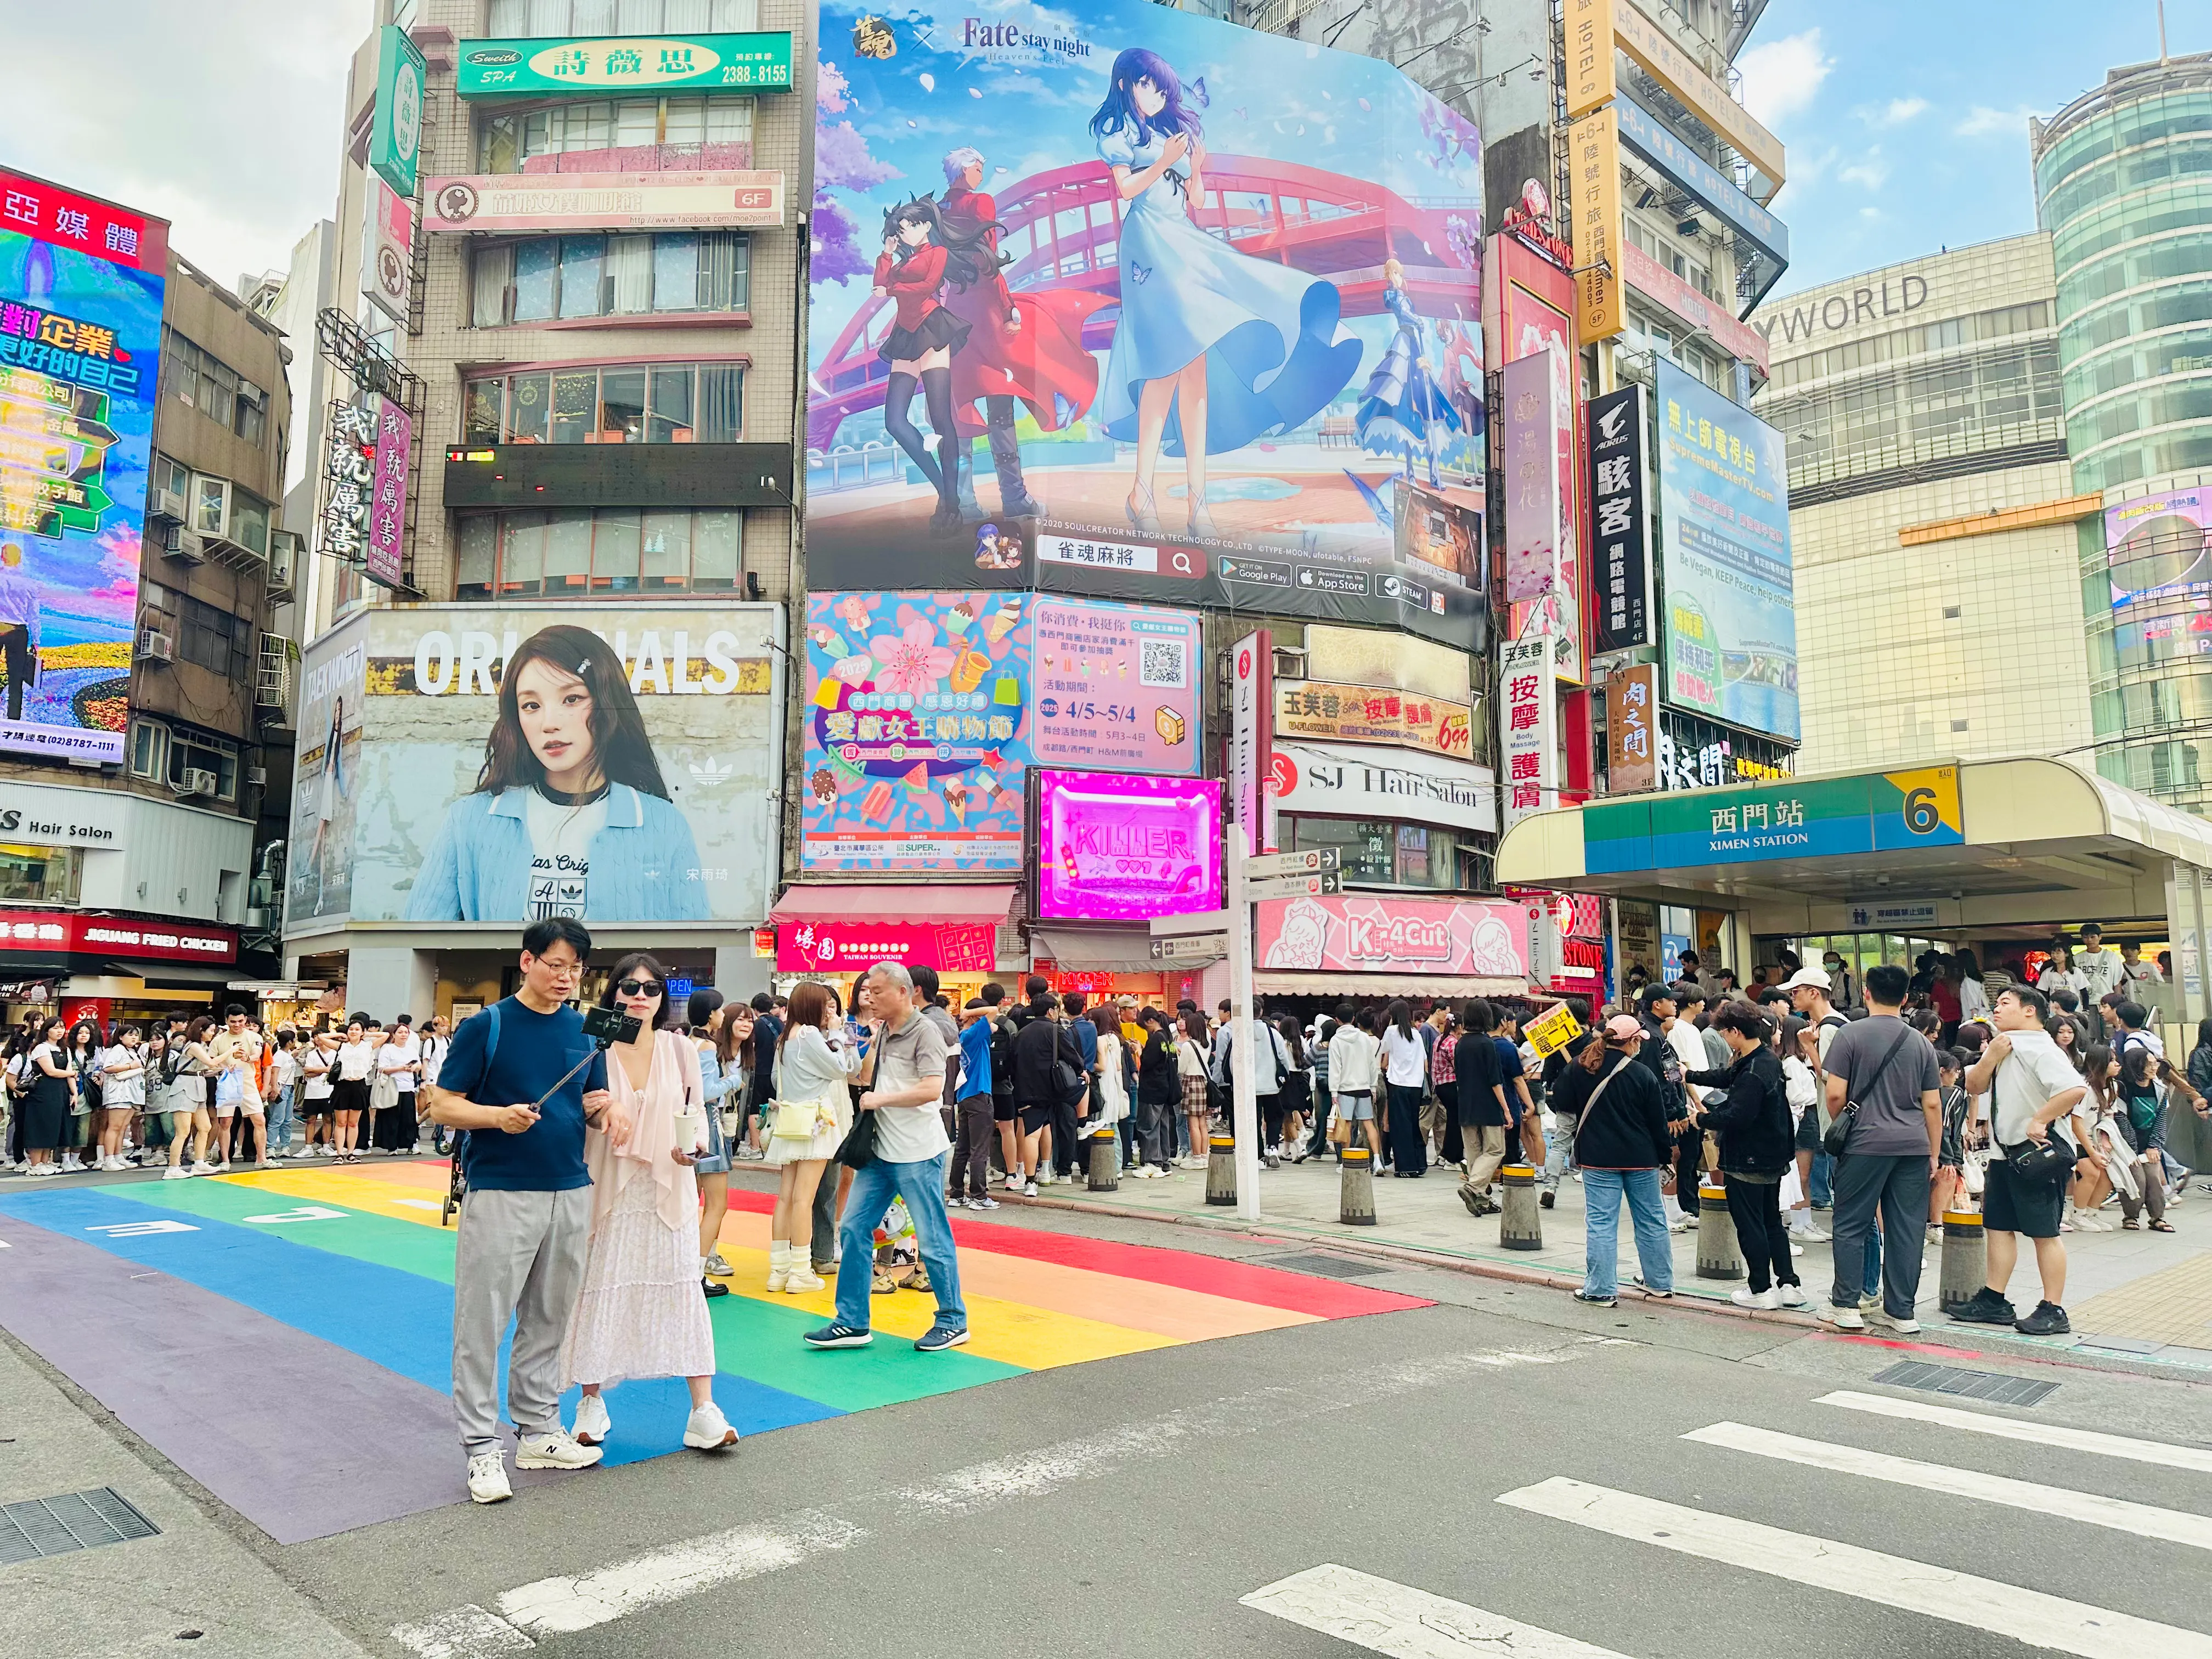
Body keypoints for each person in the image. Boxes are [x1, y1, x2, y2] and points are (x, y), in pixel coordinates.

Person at [1088, 46, 1358, 539]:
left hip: (1183, 239)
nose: (1155, 95)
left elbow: (1195, 201)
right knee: (1165, 367)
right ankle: (1144, 492)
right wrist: (1166, 161)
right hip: (1147, 243)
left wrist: (1192, 168)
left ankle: (1195, 500)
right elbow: (1125, 192)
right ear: (1127, 82)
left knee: (1195, 369)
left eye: (1162, 89)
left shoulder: (1173, 133)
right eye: (1147, 85)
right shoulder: (1117, 131)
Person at [420, 916, 630, 1505]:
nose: (566, 977)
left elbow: (591, 1095)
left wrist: (606, 1112)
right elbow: (440, 1104)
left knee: (550, 1318)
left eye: (576, 968)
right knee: (482, 1324)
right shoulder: (488, 1025)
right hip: (502, 1190)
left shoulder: (588, 1029)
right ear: (528, 960)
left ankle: (539, 1431)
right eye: (556, 964)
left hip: (571, 1186)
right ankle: (480, 1449)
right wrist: (495, 1117)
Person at [408, 624, 707, 923]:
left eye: (572, 699)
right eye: (531, 705)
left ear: (606, 702)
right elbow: (416, 946)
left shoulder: (663, 825)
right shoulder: (470, 821)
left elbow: (692, 950)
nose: (549, 723)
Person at [561, 955, 735, 1455]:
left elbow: (694, 1111)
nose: (640, 995)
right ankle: (589, 1399)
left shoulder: (679, 1048)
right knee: (598, 1284)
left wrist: (695, 1147)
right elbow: (577, 1104)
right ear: (613, 991)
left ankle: (704, 1410)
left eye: (652, 988)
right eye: (630, 986)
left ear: (664, 998)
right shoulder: (592, 1040)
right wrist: (598, 1111)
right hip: (605, 1185)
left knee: (682, 1287)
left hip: (668, 1185)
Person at [804, 962, 968, 1355]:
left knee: (932, 1237)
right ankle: (852, 1321)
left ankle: (952, 1320)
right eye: (867, 991)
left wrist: (881, 1099)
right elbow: (863, 1078)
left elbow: (933, 1088)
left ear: (903, 992)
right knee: (854, 1228)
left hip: (917, 1151)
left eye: (877, 991)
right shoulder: (884, 1031)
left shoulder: (925, 1031)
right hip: (881, 1150)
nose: (868, 996)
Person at [1953, 984, 2089, 1336]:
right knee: (1998, 1227)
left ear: (2030, 1011)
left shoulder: (2041, 1046)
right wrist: (1991, 1055)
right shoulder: (2006, 1044)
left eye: (2004, 1004)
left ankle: (2053, 1308)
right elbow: (1975, 1086)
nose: (1996, 1009)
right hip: (2004, 1154)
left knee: (2045, 1233)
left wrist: (2040, 1119)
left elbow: (2075, 1089)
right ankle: (1994, 1299)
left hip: (2036, 1155)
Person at [1817, 963, 1942, 1334]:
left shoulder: (1849, 1036)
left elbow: (1836, 1093)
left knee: (1852, 1223)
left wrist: (1847, 1122)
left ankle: (1847, 1306)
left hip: (1864, 1144)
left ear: (1866, 993)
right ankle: (1902, 1312)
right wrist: (1934, 1152)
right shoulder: (1920, 1042)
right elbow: (1932, 1104)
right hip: (1913, 1146)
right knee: (1907, 1228)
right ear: (1905, 998)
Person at [872, 196, 991, 528]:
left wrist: (893, 291)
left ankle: (950, 504)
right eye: (900, 229)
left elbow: (926, 287)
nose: (904, 233)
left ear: (925, 225)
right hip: (905, 335)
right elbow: (880, 284)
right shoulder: (901, 262)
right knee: (894, 421)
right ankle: (946, 491)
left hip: (933, 328)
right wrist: (886, 252)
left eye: (907, 227)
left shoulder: (937, 254)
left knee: (941, 419)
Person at [1689, 1005, 1807, 1311]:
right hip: (1772, 1156)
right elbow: (1728, 1076)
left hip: (1747, 1159)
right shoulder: (1764, 1059)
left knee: (1750, 1224)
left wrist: (1701, 1119)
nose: (1725, 1038)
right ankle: (1789, 1285)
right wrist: (1690, 1075)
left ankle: (1760, 1288)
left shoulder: (1754, 1069)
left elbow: (1738, 1115)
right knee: (1771, 1222)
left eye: (1725, 1033)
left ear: (1735, 1032)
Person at [1570, 1016, 1677, 1307]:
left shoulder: (1582, 1067)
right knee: (1651, 1219)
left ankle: (1601, 1289)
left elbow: (1563, 1101)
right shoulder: (1643, 1075)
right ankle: (1660, 1283)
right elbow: (1659, 1122)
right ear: (1630, 1041)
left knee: (1601, 1222)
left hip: (1598, 1158)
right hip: (1641, 1158)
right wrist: (1665, 1157)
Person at [764, 980, 856, 1289]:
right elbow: (839, 1070)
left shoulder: (785, 1037)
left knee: (787, 1198)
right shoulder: (809, 1034)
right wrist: (839, 1036)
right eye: (824, 1005)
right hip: (815, 1121)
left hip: (791, 1120)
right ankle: (801, 1272)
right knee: (804, 1199)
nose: (828, 1011)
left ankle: (779, 1270)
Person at [1355, 256, 1459, 486]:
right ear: (1390, 276)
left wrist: (1419, 324)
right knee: (1407, 406)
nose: (1399, 278)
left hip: (1414, 347)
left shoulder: (1400, 297)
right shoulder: (1395, 296)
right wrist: (1418, 320)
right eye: (1396, 274)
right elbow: (1403, 313)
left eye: (1400, 274)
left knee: (1428, 412)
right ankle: (1413, 475)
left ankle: (1431, 477)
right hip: (1407, 344)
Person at [687, 990, 742, 1294]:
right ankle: (696, 1272)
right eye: (719, 1010)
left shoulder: (687, 1042)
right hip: (707, 1124)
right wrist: (734, 1081)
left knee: (689, 1201)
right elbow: (708, 1091)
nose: (723, 1015)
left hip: (687, 1125)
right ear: (711, 1015)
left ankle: (686, 1268)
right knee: (717, 1204)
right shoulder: (707, 1045)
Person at [1454, 999, 1509, 1217]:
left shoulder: (1460, 1043)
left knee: (1475, 1152)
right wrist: (1506, 1109)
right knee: (1496, 1149)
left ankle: (1483, 1200)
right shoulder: (1488, 1044)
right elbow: (1495, 1080)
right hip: (1488, 1104)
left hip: (1466, 1103)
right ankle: (1473, 1186)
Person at [949, 997, 998, 1207]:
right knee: (980, 1149)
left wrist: (972, 1015)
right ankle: (979, 1196)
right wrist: (970, 1013)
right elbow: (994, 1010)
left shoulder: (965, 1035)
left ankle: (957, 1193)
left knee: (963, 1148)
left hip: (965, 1096)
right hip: (980, 1094)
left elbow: (995, 1026)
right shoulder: (974, 1032)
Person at [1378, 1000, 1429, 1178]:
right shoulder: (1416, 1034)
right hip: (1415, 1085)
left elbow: (1382, 1050)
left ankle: (1406, 1166)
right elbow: (1424, 1061)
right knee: (1413, 1124)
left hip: (1398, 1084)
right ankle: (1419, 1163)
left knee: (1400, 1126)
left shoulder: (1392, 1031)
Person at [16, 1017, 70, 1177]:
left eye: (62, 1028)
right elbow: (51, 1071)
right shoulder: (41, 1048)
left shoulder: (65, 1049)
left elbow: (66, 1072)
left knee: (53, 1127)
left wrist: (73, 1092)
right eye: (55, 1028)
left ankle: (46, 1162)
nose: (59, 1031)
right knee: (39, 1126)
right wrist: (73, 1073)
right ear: (47, 1031)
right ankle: (35, 1164)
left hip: (60, 1091)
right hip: (43, 1091)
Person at [1328, 1008, 1383, 1164]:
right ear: (1353, 1019)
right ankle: (1377, 1161)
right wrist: (1373, 1087)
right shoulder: (1364, 1038)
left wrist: (1334, 1091)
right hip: (1364, 1086)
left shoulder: (1336, 1040)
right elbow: (1372, 1064)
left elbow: (1335, 1068)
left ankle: (1347, 1162)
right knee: (1369, 1124)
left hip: (1345, 1088)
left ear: (1337, 1020)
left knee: (1346, 1125)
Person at [1132, 1007, 1178, 1177]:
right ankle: (1163, 1161)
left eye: (1145, 1026)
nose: (1146, 1030)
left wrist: (1139, 1050)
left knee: (1149, 1127)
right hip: (1165, 1088)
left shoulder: (1155, 1039)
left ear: (1151, 1021)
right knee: (1162, 1126)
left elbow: (1148, 1063)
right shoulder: (1167, 1038)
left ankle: (1152, 1162)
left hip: (1152, 1089)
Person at [0, 540, 42, 721]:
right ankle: (14, 718)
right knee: (16, 678)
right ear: (20, 559)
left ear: (3, 556)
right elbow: (34, 615)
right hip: (18, 632)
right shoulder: (29, 583)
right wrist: (36, 641)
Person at [95, 1024, 145, 1172]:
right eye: (130, 1035)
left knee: (122, 1127)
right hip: (119, 1094)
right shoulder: (117, 1049)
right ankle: (108, 1159)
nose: (134, 1038)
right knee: (115, 1127)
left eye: (136, 1035)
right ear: (121, 1037)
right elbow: (108, 1068)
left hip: (131, 1094)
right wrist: (130, 1066)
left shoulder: (132, 1051)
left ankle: (118, 1156)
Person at [330, 1017, 376, 1163]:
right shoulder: (342, 1046)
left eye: (357, 1029)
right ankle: (339, 1153)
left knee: (353, 1123)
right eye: (351, 1029)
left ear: (363, 1032)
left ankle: (351, 1152)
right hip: (343, 1085)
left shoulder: (367, 1046)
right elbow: (321, 1037)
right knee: (341, 1122)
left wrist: (368, 1035)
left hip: (359, 1085)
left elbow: (386, 1035)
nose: (354, 1032)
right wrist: (339, 1035)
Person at [377, 1014, 423, 1154]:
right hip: (392, 1088)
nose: (403, 1035)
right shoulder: (388, 1049)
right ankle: (392, 1146)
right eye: (400, 1032)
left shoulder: (411, 1050)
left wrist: (414, 1068)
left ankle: (411, 1144)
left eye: (406, 1033)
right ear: (394, 1034)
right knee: (392, 1118)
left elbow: (419, 1064)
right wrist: (401, 1068)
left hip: (408, 1087)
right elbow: (382, 1069)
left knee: (408, 1118)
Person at [1176, 1008, 1212, 1169]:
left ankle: (1196, 1157)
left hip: (1190, 1083)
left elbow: (1181, 1069)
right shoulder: (1206, 1044)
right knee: (1203, 1122)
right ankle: (1204, 1155)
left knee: (1193, 1123)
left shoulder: (1189, 1046)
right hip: (1203, 1082)